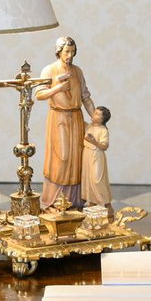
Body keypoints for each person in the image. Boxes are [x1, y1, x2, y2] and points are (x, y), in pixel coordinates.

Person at [34, 36, 96, 207]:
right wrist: (58, 88)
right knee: (62, 156)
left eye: (73, 51)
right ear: (59, 51)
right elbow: (39, 94)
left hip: (76, 117)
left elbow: (85, 96)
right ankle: (54, 201)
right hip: (59, 117)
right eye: (67, 51)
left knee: (76, 157)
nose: (70, 55)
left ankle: (75, 201)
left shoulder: (77, 71)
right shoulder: (49, 70)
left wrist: (95, 117)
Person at [81, 105, 112, 207]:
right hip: (87, 154)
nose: (94, 114)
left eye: (98, 114)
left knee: (97, 180)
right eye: (95, 112)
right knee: (88, 179)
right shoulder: (89, 126)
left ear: (103, 119)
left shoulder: (103, 130)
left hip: (97, 155)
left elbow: (104, 146)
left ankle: (107, 204)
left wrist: (94, 141)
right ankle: (92, 202)